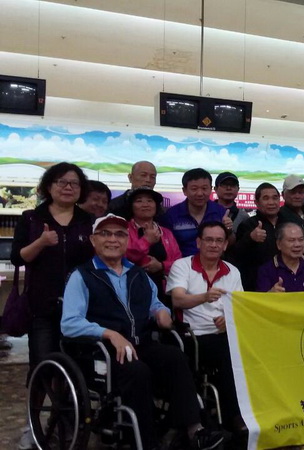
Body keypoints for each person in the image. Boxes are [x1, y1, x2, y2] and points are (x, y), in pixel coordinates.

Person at [60, 214, 225, 450]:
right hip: (103, 352)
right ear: (93, 240)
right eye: (105, 234)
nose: (113, 239)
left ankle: (194, 430)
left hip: (140, 344)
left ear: (127, 241)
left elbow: (154, 303)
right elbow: (70, 323)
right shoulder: (82, 276)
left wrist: (161, 312)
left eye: (119, 234)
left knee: (175, 357)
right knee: (138, 371)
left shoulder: (138, 274)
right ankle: (147, 442)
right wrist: (109, 333)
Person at [11, 163, 95, 449]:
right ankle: (32, 423)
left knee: (73, 369)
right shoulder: (32, 218)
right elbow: (18, 257)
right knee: (42, 365)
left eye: (74, 183)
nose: (68, 187)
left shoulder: (88, 221)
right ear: (49, 186)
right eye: (61, 182)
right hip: (43, 306)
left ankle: (63, 423)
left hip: (81, 308)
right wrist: (41, 242)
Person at [167, 221, 245, 434]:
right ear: (198, 242)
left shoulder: (232, 271)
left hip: (223, 333)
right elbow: (178, 300)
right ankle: (233, 416)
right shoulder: (182, 266)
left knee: (251, 347)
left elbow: (238, 307)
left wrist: (228, 319)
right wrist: (204, 297)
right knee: (231, 351)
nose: (214, 245)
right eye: (209, 240)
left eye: (219, 240)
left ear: (225, 245)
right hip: (192, 335)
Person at [125, 187, 181, 302]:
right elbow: (124, 257)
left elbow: (179, 262)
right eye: (139, 201)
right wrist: (146, 241)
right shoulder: (123, 230)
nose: (145, 204)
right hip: (130, 288)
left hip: (163, 290)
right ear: (131, 206)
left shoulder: (166, 232)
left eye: (150, 200)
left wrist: (161, 266)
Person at [160, 168, 227, 257]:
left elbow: (227, 243)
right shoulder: (171, 215)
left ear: (211, 189)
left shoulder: (220, 212)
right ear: (184, 191)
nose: (200, 193)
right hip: (181, 263)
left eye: (204, 188)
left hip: (213, 262)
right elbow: (166, 246)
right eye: (194, 189)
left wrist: (228, 230)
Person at [234, 183, 280, 291]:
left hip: (283, 283)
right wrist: (250, 238)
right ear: (256, 202)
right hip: (256, 286)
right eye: (266, 198)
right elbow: (236, 254)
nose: (271, 202)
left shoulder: (287, 223)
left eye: (275, 198)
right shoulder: (247, 225)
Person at [256, 222, 304, 292]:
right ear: (279, 244)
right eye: (291, 240)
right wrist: (271, 294)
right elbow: (259, 298)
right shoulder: (266, 270)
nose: (297, 244)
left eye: (301, 240)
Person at [277, 175, 304, 264]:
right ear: (283, 194)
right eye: (293, 192)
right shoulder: (278, 217)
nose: (297, 196)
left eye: (301, 192)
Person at [214, 171, 249, 239]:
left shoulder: (244, 217)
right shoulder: (206, 211)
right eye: (224, 185)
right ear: (216, 189)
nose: (229, 188)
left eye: (233, 185)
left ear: (238, 189)